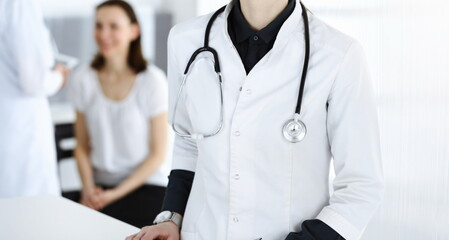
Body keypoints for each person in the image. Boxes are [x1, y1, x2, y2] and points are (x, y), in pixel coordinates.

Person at [127, 0, 384, 239]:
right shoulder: (185, 39)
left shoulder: (338, 54)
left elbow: (361, 186)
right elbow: (189, 142)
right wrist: (171, 217)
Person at [71, 0, 170, 228]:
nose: (104, 34)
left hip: (146, 186)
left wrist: (114, 194)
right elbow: (82, 147)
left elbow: (158, 155)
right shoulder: (83, 79)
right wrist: (88, 188)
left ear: (134, 31)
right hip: (98, 186)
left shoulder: (152, 81)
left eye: (114, 26)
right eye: (99, 26)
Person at [0, 0, 70, 198]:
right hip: (19, 130)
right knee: (29, 211)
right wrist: (58, 76)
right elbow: (34, 80)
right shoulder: (19, 4)